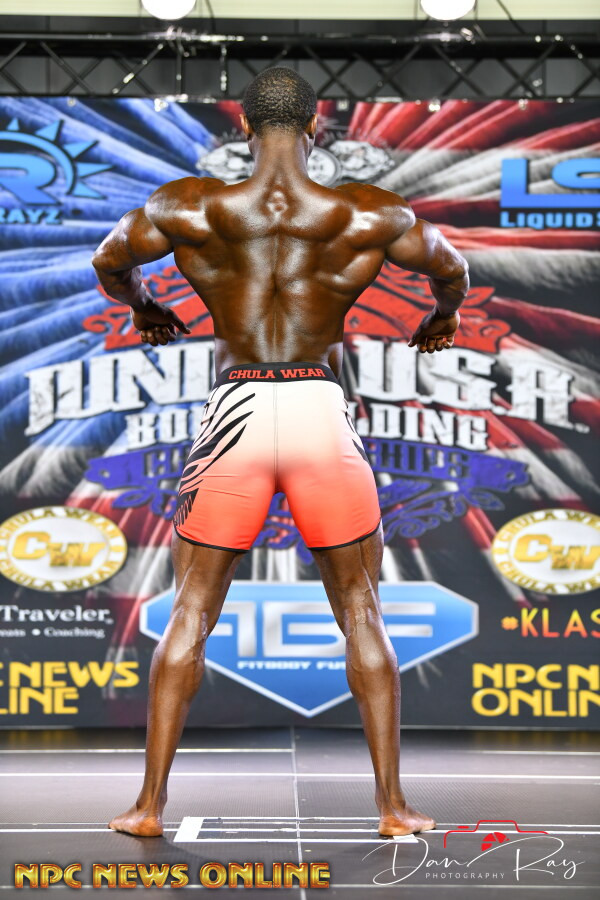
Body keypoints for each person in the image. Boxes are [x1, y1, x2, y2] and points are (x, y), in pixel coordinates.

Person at [92, 67, 469, 839]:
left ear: (243, 122)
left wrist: (147, 307)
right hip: (316, 412)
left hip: (234, 413)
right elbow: (451, 269)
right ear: (315, 125)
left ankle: (147, 808)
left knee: (191, 609)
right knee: (360, 608)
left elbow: (109, 261)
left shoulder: (190, 206)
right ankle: (393, 808)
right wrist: (441, 319)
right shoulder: (365, 211)